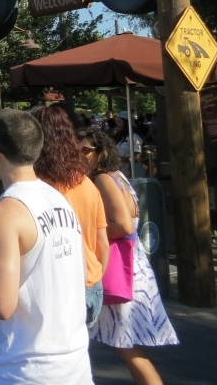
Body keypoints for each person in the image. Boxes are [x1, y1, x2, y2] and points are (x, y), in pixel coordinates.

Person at [0, 109, 92, 384]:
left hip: (21, 368)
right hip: (75, 365)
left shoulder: (2, 212)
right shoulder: (59, 199)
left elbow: (0, 303)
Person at [81, 128, 177, 385]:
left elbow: (123, 225)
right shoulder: (117, 175)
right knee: (126, 345)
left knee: (127, 347)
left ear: (101, 152)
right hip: (132, 265)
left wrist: (89, 232)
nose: (80, 155)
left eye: (86, 150)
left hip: (121, 266)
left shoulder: (102, 178)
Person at [34, 106, 109, 329]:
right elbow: (102, 244)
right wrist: (94, 279)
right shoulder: (87, 183)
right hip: (90, 284)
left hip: (58, 286)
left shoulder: (38, 186)